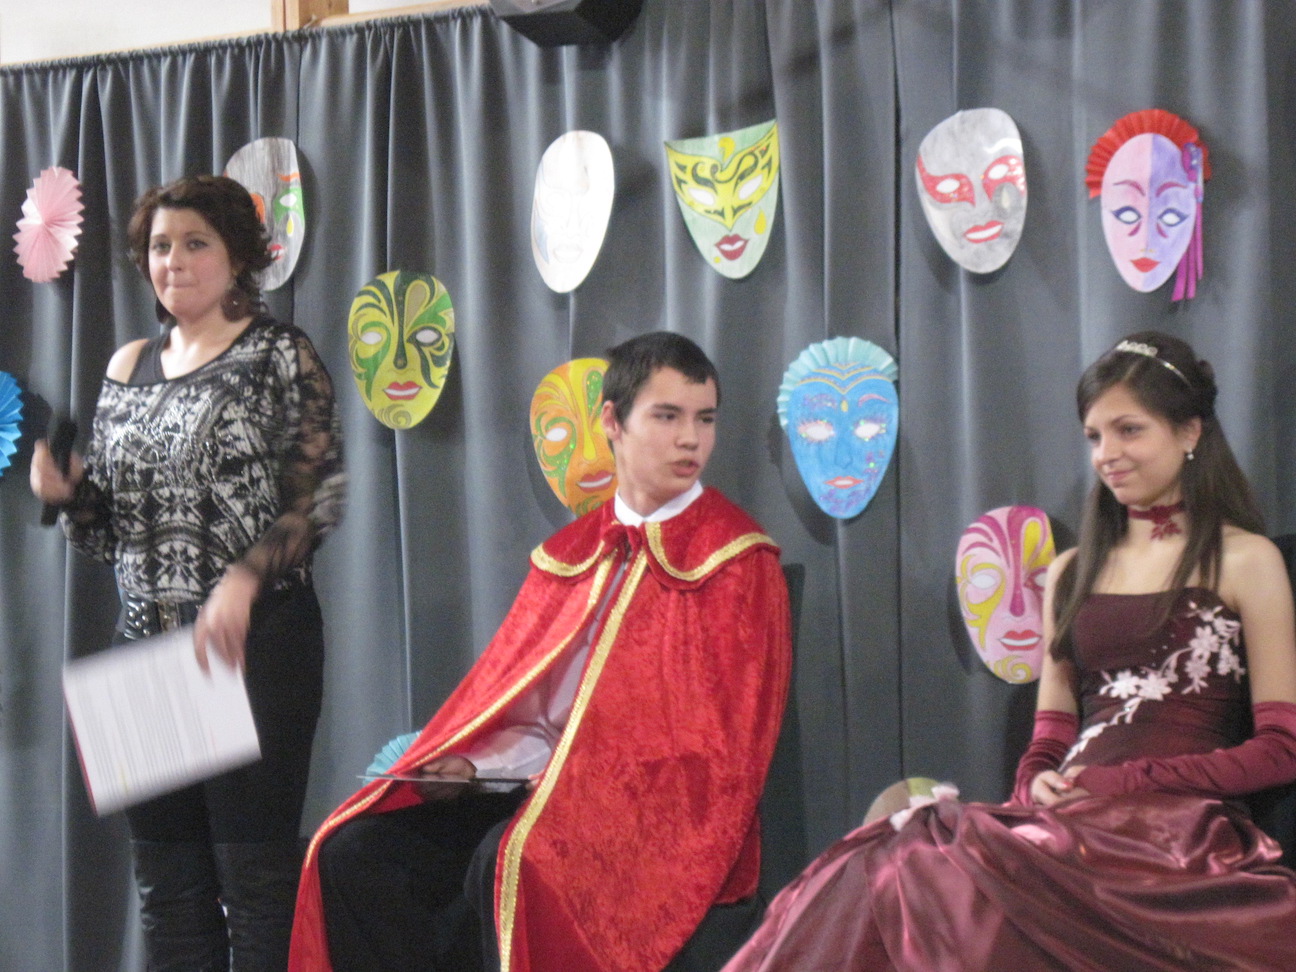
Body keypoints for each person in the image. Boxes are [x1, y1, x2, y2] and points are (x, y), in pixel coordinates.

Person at [721, 331, 1296, 971]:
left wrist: (1123, 781)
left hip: (1173, 836)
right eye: (1094, 436)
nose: (1107, 455)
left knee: (925, 874)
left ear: (1190, 432)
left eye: (1129, 430)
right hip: (1067, 821)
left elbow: (1281, 748)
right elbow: (1050, 735)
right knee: (882, 860)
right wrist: (1033, 783)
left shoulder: (1246, 560)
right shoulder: (1074, 570)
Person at [289, 331, 792, 972]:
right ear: (612, 422)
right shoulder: (569, 555)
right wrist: (470, 765)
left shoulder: (737, 562)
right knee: (354, 853)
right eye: (667, 417)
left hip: (658, 824)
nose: (691, 439)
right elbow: (536, 720)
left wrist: (589, 787)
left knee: (510, 860)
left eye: (705, 419)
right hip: (539, 797)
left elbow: (725, 753)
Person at [30, 174, 345, 972]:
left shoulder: (278, 353)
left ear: (239, 257)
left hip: (252, 645)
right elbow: (111, 540)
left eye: (195, 243)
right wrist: (71, 497)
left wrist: (243, 580)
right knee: (168, 896)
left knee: (256, 887)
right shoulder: (128, 363)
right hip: (144, 644)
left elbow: (319, 497)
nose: (173, 261)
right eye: (159, 246)